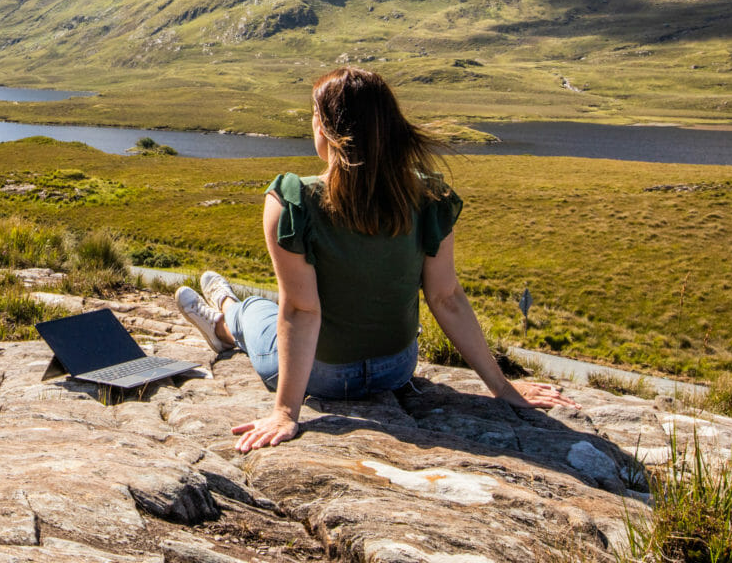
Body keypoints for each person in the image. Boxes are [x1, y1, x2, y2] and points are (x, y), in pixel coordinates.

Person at [172, 67, 576, 454]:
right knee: (271, 307)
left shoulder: (291, 200)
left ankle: (224, 319)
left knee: (261, 309)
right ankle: (227, 308)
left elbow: (301, 310)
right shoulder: (428, 195)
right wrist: (503, 388)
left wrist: (284, 412)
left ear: (327, 130)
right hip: (396, 367)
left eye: (314, 117)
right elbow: (447, 296)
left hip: (323, 376)